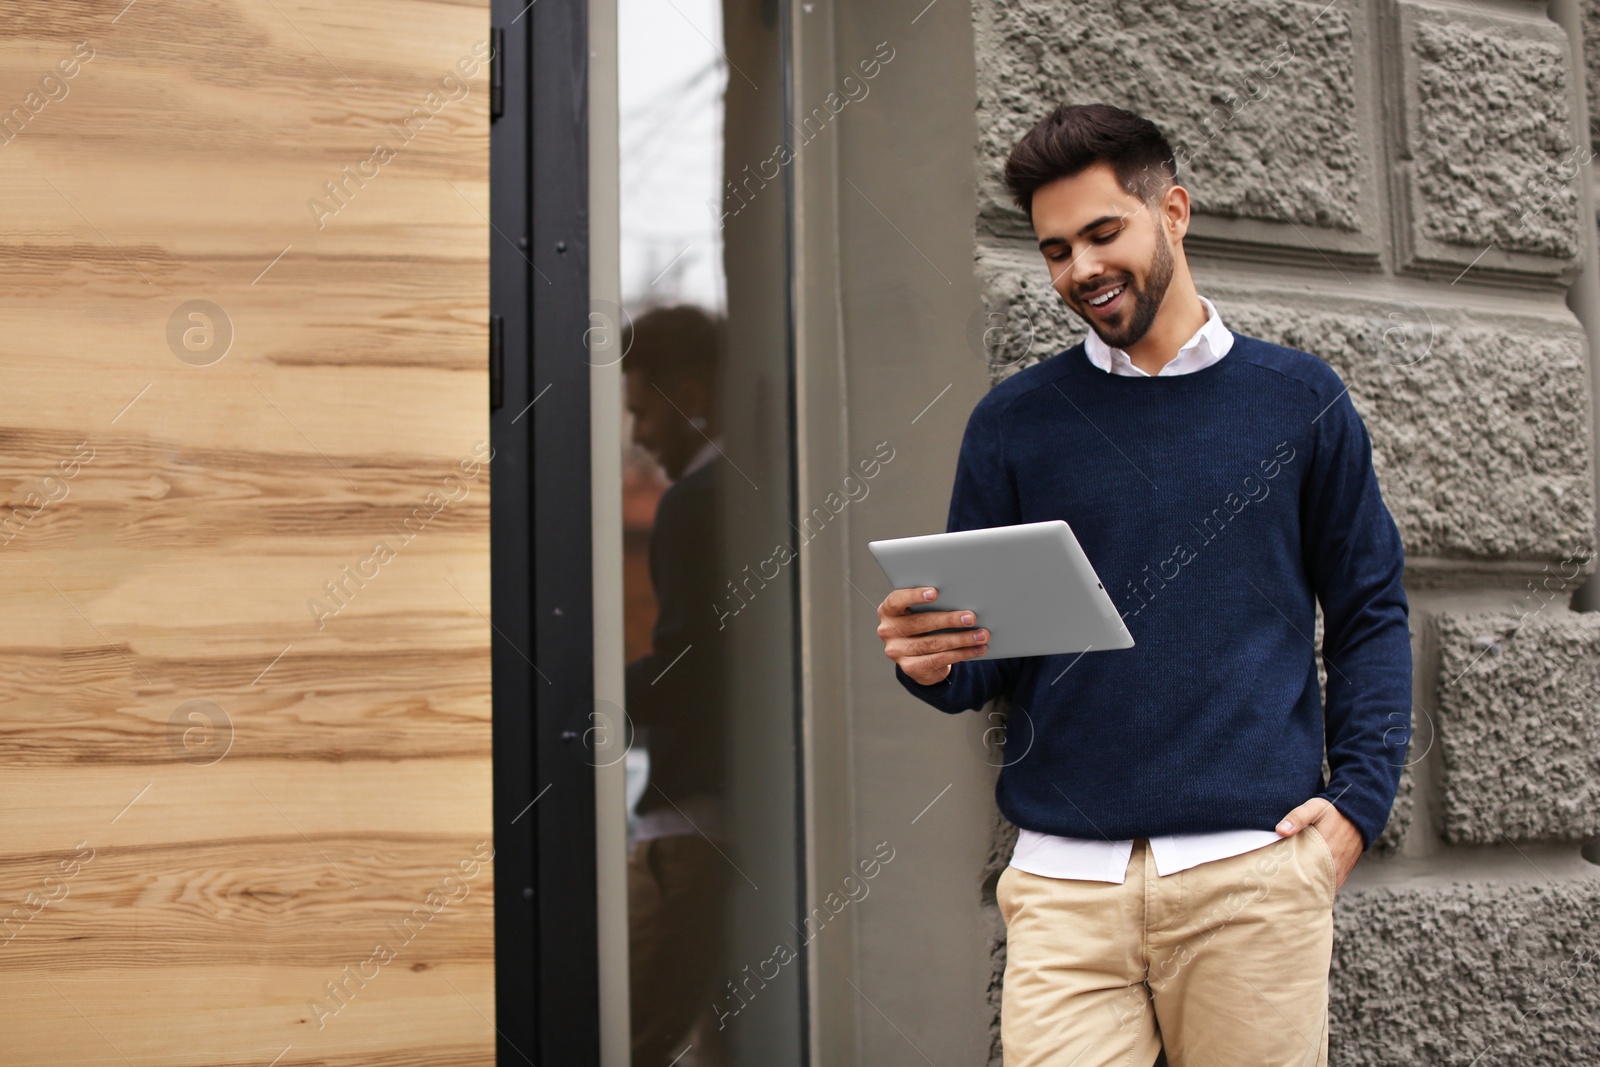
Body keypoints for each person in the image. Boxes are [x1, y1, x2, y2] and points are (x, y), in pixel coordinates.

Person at [876, 103, 1412, 1067]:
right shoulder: (1014, 422)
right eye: (1053, 251)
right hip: (1064, 894)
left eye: (1100, 232)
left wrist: (1357, 806)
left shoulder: (1301, 401)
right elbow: (978, 663)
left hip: (1252, 876)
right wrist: (927, 656)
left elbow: (1371, 612)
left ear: (1173, 210)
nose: (1079, 269)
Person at [621, 304, 731, 1067]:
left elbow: (690, 665)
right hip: (732, 826)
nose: (640, 435)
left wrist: (583, 695)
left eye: (641, 409)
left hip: (690, 831)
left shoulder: (696, 503)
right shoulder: (756, 490)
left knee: (617, 1035)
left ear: (689, 391)